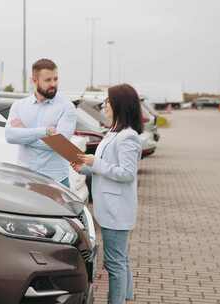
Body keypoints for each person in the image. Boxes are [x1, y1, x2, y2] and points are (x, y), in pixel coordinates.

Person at [71, 83, 143, 304]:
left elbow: (127, 173)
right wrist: (83, 166)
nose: (105, 106)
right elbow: (105, 166)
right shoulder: (114, 132)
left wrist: (96, 163)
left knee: (114, 263)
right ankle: (125, 298)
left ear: (120, 105)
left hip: (117, 211)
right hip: (110, 209)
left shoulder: (128, 137)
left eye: (108, 102)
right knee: (120, 260)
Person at [4, 58, 77, 187]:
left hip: (56, 180)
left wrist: (24, 134)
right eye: (48, 80)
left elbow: (61, 145)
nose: (53, 84)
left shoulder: (67, 107)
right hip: (24, 178)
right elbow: (10, 136)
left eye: (55, 79)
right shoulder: (19, 106)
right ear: (34, 80)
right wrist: (44, 131)